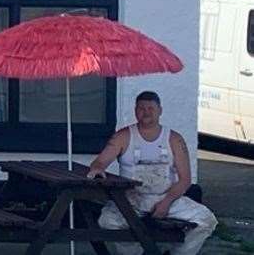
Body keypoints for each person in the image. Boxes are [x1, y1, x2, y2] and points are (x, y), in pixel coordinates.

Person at [86, 90, 217, 255]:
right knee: (107, 222)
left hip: (165, 198)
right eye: (141, 108)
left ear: (160, 111)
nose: (146, 112)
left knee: (207, 220)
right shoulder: (123, 136)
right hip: (130, 200)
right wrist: (98, 169)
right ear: (135, 111)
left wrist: (166, 202)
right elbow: (100, 162)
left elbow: (185, 180)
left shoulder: (174, 139)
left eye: (151, 108)